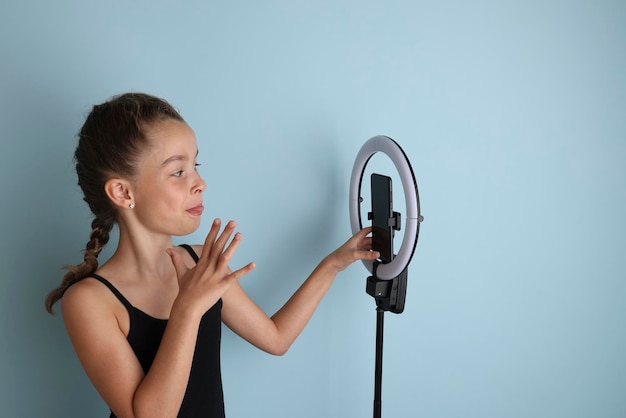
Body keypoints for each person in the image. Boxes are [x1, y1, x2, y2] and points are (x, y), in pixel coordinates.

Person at [45, 92, 379, 418]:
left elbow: (276, 339)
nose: (200, 182)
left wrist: (334, 263)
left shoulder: (203, 263)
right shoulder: (90, 301)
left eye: (196, 165)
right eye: (178, 172)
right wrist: (187, 309)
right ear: (123, 192)